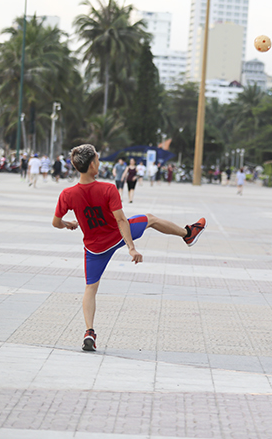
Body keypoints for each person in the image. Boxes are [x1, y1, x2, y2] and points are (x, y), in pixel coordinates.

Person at [52, 144, 206, 352]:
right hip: (116, 236)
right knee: (149, 219)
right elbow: (122, 220)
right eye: (97, 160)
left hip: (94, 248)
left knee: (90, 289)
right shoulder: (107, 189)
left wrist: (67, 224)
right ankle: (188, 234)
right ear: (91, 166)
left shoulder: (67, 194)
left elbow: (55, 222)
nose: (99, 163)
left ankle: (89, 331)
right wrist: (131, 248)